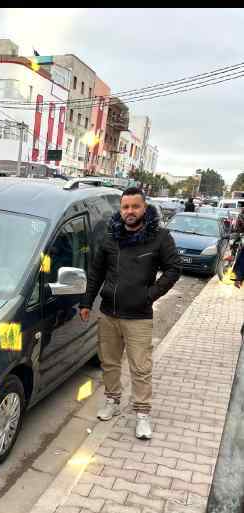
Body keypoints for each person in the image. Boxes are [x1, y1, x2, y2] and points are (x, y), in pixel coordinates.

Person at [79, 187, 182, 440]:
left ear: (144, 208)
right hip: (109, 314)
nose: (130, 211)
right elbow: (96, 273)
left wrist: (149, 295)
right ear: (121, 209)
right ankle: (112, 400)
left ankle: (142, 414)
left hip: (139, 317)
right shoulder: (110, 236)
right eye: (125, 207)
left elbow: (173, 269)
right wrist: (86, 302)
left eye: (135, 206)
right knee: (109, 362)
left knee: (140, 367)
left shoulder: (160, 237)